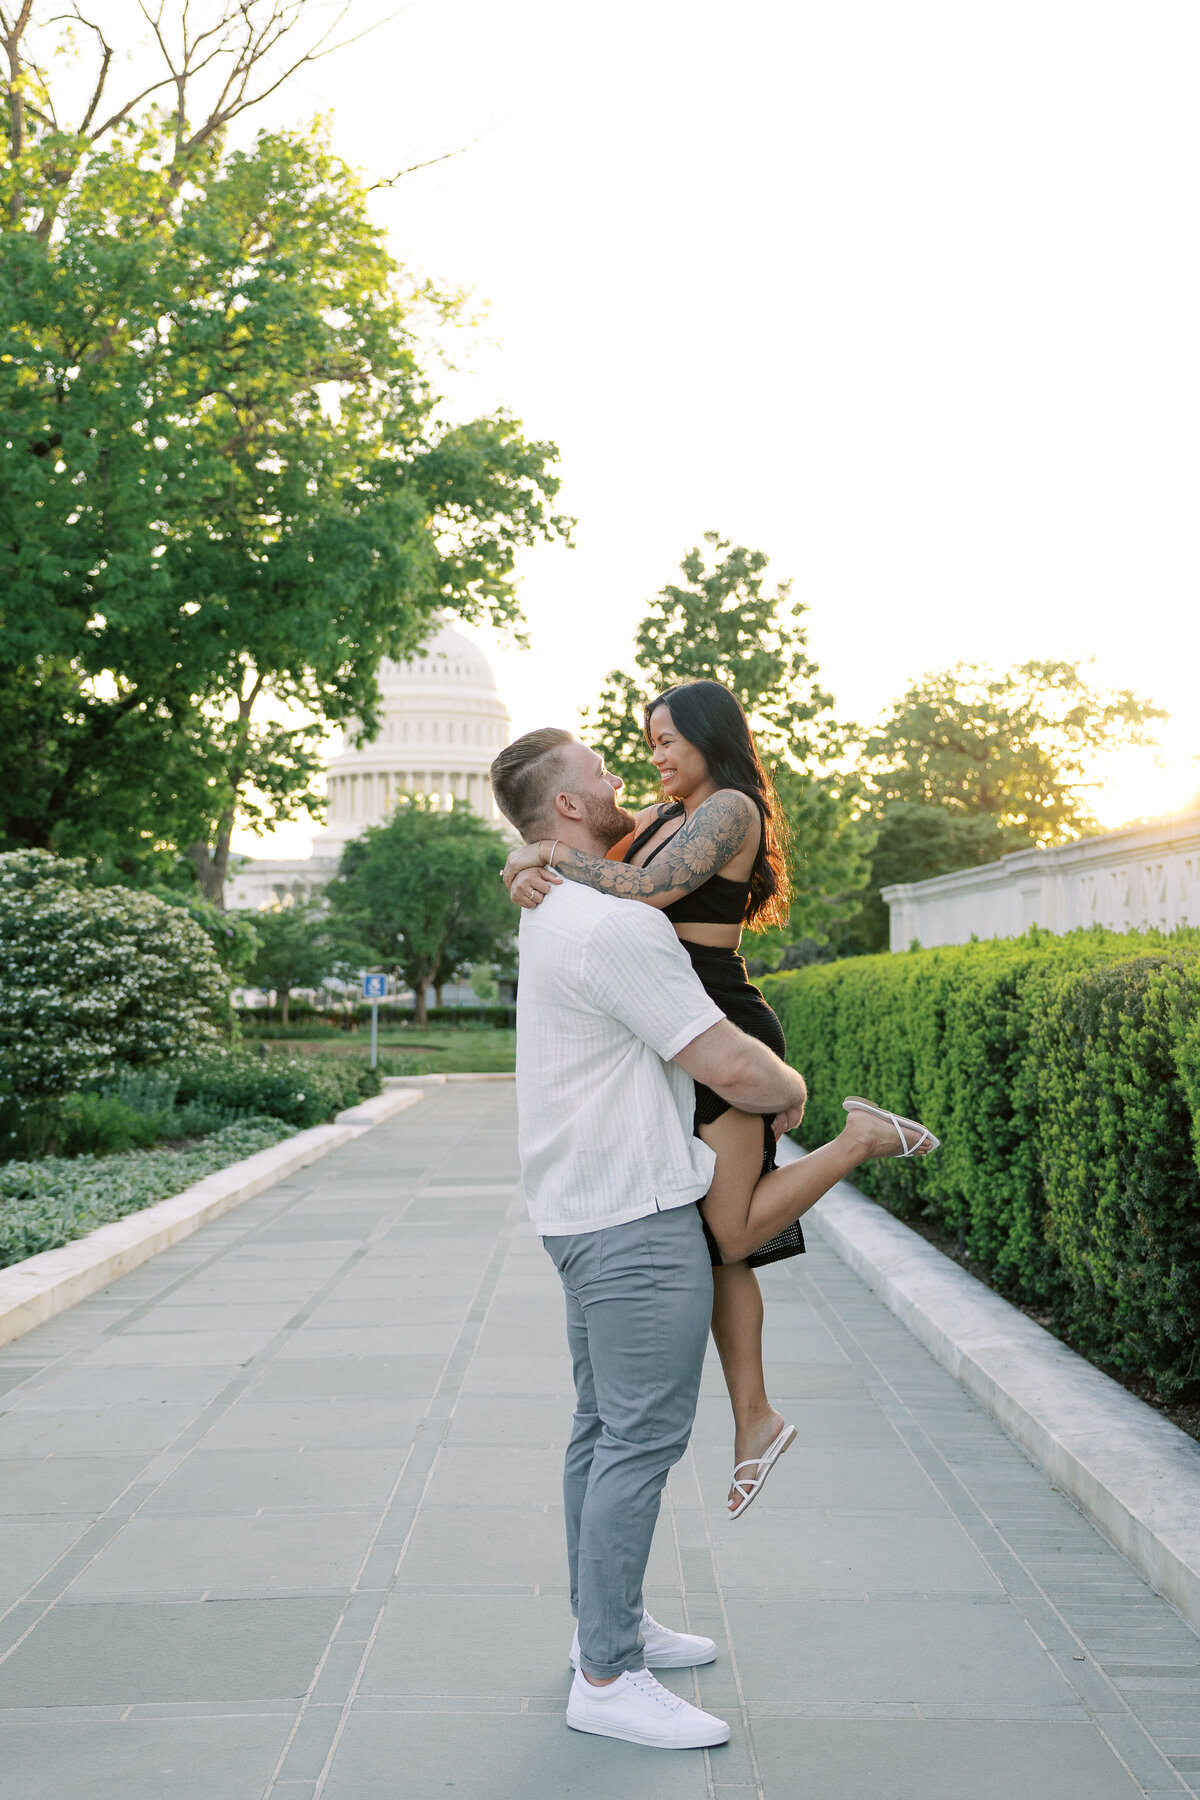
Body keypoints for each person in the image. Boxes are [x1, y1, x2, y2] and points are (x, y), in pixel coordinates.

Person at [488, 727, 937, 1753]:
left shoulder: (562, 907)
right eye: (599, 775)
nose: (620, 782)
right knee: (637, 1440)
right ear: (565, 811)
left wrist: (532, 861)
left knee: (601, 1431)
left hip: (577, 1208)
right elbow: (735, 1069)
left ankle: (605, 1626)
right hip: (635, 1221)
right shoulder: (615, 927)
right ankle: (607, 1675)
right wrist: (796, 1092)